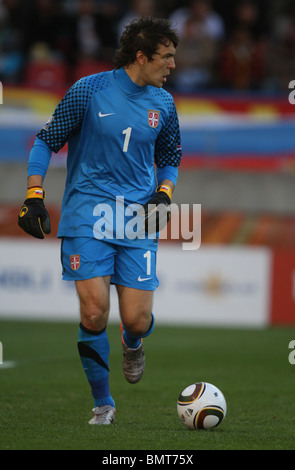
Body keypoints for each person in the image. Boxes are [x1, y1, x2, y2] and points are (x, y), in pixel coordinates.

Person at [18, 17, 182, 425]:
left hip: (137, 221)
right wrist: (34, 196)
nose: (172, 65)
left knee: (136, 319)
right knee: (93, 313)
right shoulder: (89, 90)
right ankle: (103, 404)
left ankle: (133, 341)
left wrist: (164, 194)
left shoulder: (164, 103)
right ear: (141, 57)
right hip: (87, 214)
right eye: (166, 57)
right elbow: (46, 139)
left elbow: (171, 157)